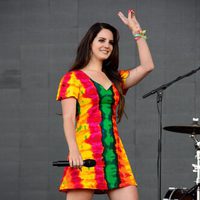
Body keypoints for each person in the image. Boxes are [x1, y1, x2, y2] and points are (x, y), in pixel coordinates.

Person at [56, 9, 154, 200]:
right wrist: (74, 151)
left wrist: (137, 31)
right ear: (90, 43)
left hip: (114, 154)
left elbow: (148, 66)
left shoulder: (116, 79)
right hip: (85, 153)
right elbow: (68, 117)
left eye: (110, 42)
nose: (107, 45)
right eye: (101, 40)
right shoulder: (73, 78)